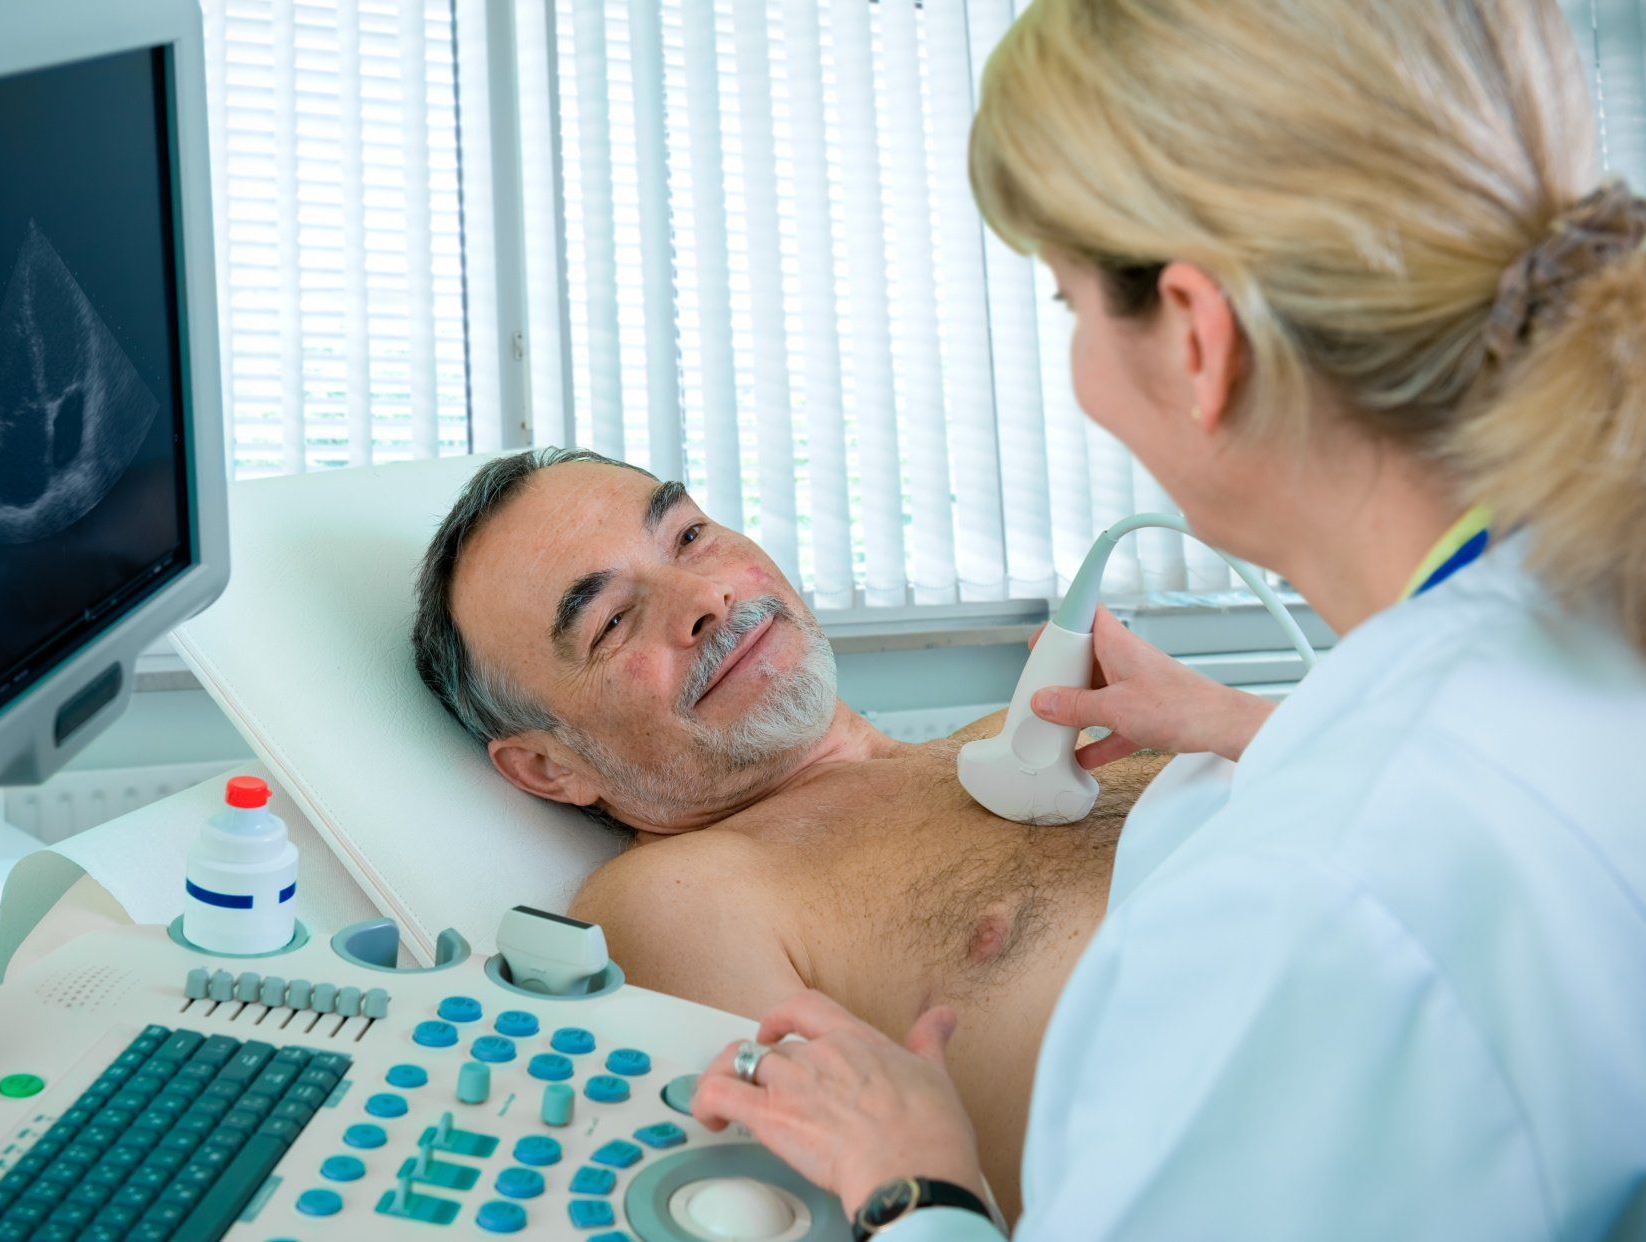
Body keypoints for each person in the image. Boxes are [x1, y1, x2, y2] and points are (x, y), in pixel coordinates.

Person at [685, 1, 1646, 1238]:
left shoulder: (1295, 922)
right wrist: (1281, 729)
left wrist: (920, 1185)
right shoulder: (1577, 628)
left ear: (1199, 338)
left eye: (1067, 305)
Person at [410, 447, 1177, 1215]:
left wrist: (1253, 732)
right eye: (611, 622)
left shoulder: (1048, 734)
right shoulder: (682, 898)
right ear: (550, 769)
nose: (705, 594)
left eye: (688, 536)